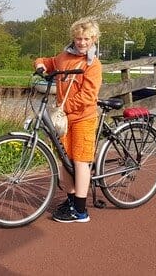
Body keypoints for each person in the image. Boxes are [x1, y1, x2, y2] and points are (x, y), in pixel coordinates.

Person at [34, 18, 102, 223]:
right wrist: (39, 65)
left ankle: (81, 211)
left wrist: (63, 107)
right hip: (64, 119)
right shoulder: (64, 57)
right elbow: (48, 61)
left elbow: (88, 96)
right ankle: (72, 200)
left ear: (94, 39)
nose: (82, 43)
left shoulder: (93, 64)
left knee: (80, 160)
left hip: (83, 117)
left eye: (86, 39)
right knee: (65, 160)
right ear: (73, 38)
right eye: (79, 38)